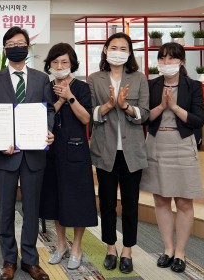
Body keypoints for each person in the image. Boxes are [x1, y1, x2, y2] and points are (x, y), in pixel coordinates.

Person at [0, 27, 55, 280]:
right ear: (5, 50)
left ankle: (30, 261)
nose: (16, 47)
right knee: (6, 209)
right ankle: (9, 260)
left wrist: (48, 131)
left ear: (28, 47)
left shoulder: (41, 79)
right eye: (11, 44)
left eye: (20, 43)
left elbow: (49, 110)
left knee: (31, 209)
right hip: (6, 155)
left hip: (34, 154)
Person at [140, 42, 204, 273]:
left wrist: (175, 107)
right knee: (160, 199)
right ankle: (167, 249)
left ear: (181, 61)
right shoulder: (151, 85)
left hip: (182, 144)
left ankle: (180, 252)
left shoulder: (192, 86)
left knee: (184, 201)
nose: (166, 63)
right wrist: (161, 106)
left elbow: (198, 120)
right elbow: (144, 118)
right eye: (162, 58)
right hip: (157, 143)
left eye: (171, 58)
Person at [88, 33, 149, 274]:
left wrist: (125, 107)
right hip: (105, 150)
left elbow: (144, 114)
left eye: (123, 48)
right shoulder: (95, 79)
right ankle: (111, 248)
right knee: (107, 202)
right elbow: (90, 115)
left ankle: (128, 250)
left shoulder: (139, 78)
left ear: (129, 52)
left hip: (132, 151)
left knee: (131, 203)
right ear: (105, 50)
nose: (118, 52)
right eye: (114, 47)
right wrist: (108, 106)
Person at [39, 43, 97, 270]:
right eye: (55, 62)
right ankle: (61, 244)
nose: (60, 65)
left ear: (72, 63)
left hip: (76, 151)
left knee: (77, 200)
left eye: (64, 61)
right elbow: (45, 114)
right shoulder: (46, 87)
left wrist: (70, 96)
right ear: (49, 65)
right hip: (52, 151)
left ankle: (76, 248)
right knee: (55, 199)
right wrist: (61, 99)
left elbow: (86, 118)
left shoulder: (81, 87)